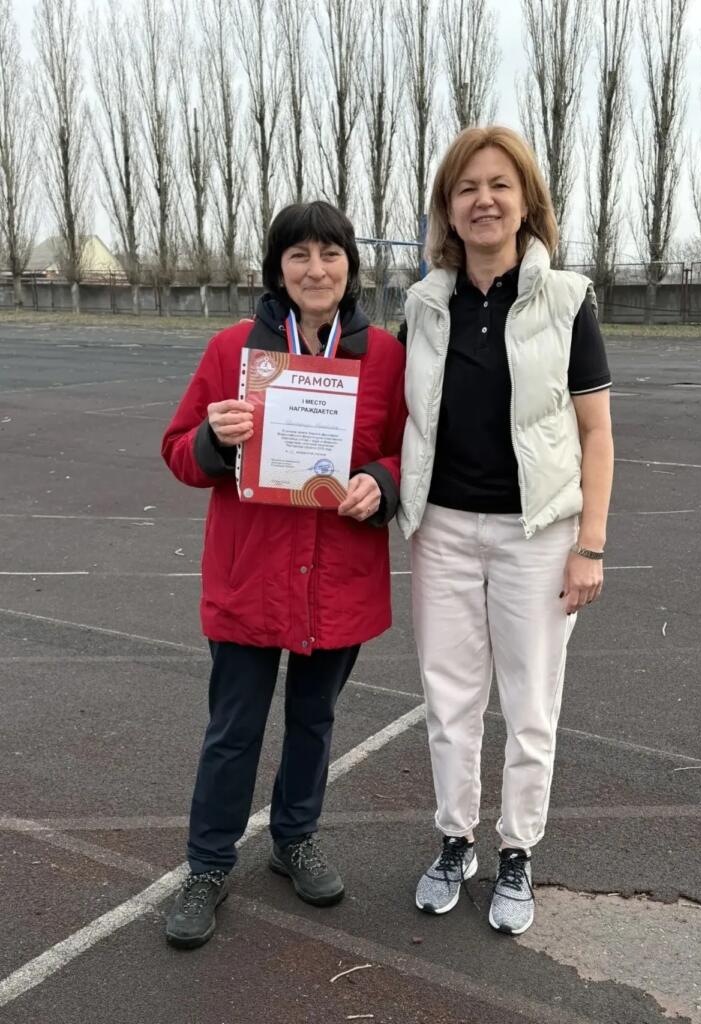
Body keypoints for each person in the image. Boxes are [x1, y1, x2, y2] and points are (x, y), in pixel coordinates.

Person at [161, 201, 407, 949]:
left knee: (313, 720)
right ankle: (208, 864)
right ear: (277, 269)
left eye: (330, 254)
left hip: (336, 579)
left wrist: (381, 483)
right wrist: (213, 439)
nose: (315, 269)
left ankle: (294, 839)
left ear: (350, 266)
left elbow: (407, 451)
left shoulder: (384, 356)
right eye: (298, 255)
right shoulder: (233, 350)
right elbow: (177, 449)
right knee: (233, 728)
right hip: (253, 578)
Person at [398, 126, 614, 936]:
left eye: (499, 185)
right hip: (443, 531)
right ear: (447, 209)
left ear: (526, 202)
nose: (482, 200)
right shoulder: (423, 306)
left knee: (531, 706)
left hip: (538, 535)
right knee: (448, 701)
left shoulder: (567, 300)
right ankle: (455, 840)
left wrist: (589, 544)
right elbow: (391, 414)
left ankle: (517, 850)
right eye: (466, 188)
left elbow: (597, 433)